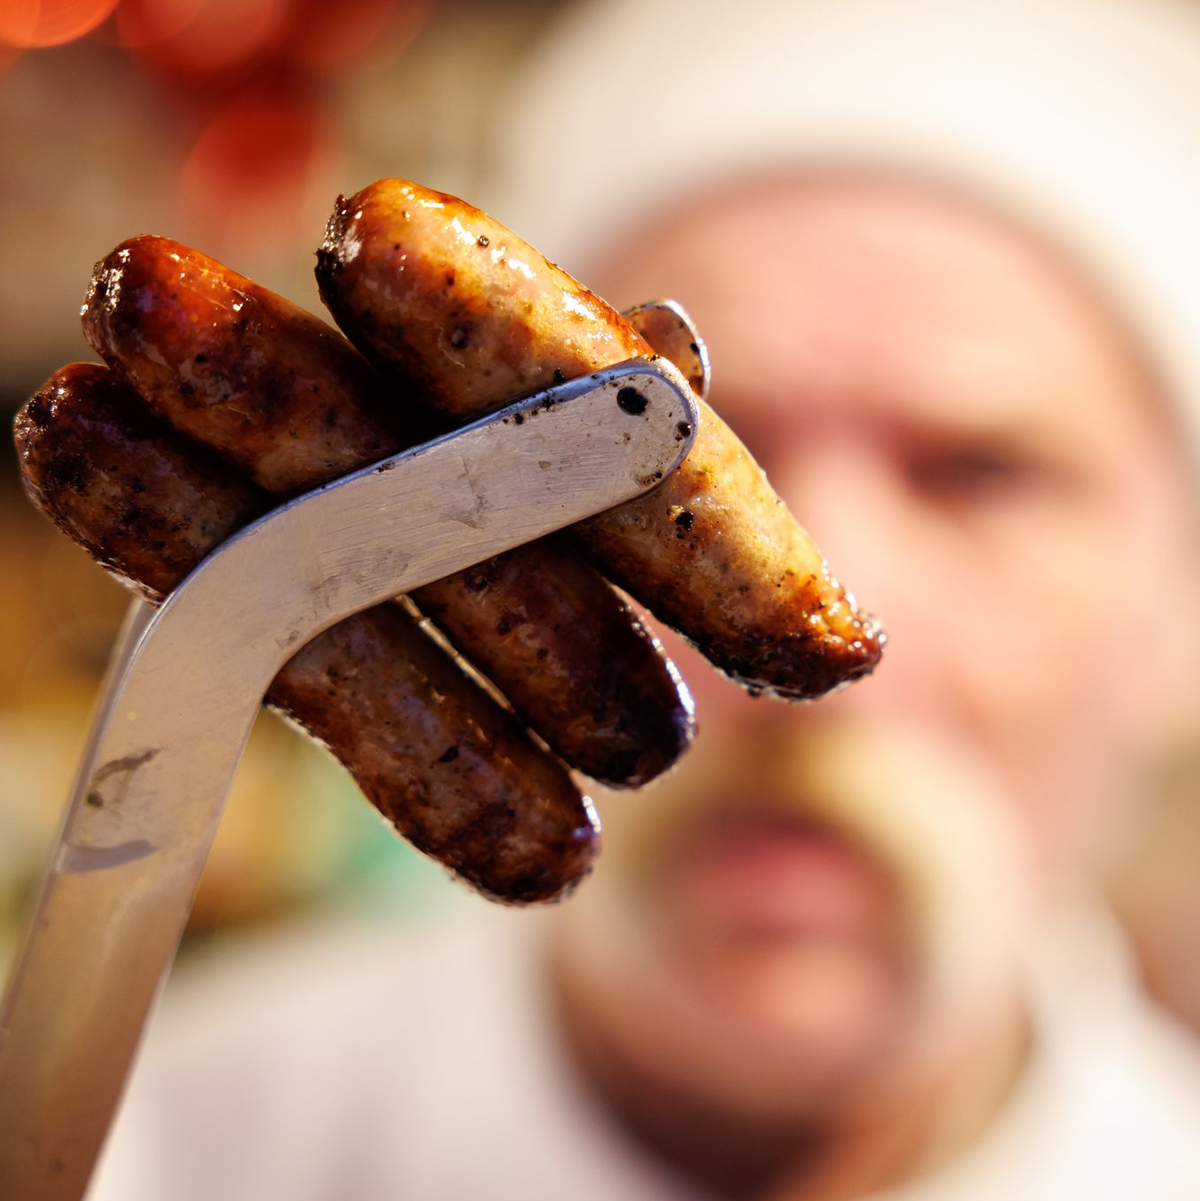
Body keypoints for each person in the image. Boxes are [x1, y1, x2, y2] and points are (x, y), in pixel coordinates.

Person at [92, 1, 1200, 1198]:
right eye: (662, 465)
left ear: (1178, 605)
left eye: (983, 474)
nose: (800, 702)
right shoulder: (132, 1144)